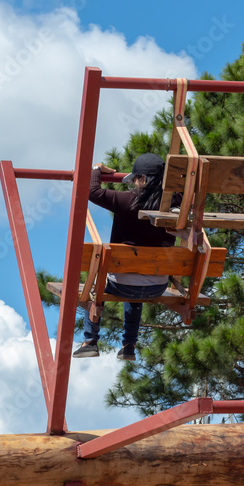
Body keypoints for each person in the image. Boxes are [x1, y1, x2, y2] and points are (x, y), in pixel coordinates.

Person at [72, 152, 179, 361]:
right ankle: (129, 345)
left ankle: (90, 341)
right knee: (138, 279)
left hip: (122, 284)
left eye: (136, 179)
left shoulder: (126, 200)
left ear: (142, 179)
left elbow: (91, 191)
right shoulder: (176, 202)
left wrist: (96, 169)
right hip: (157, 286)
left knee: (98, 282)